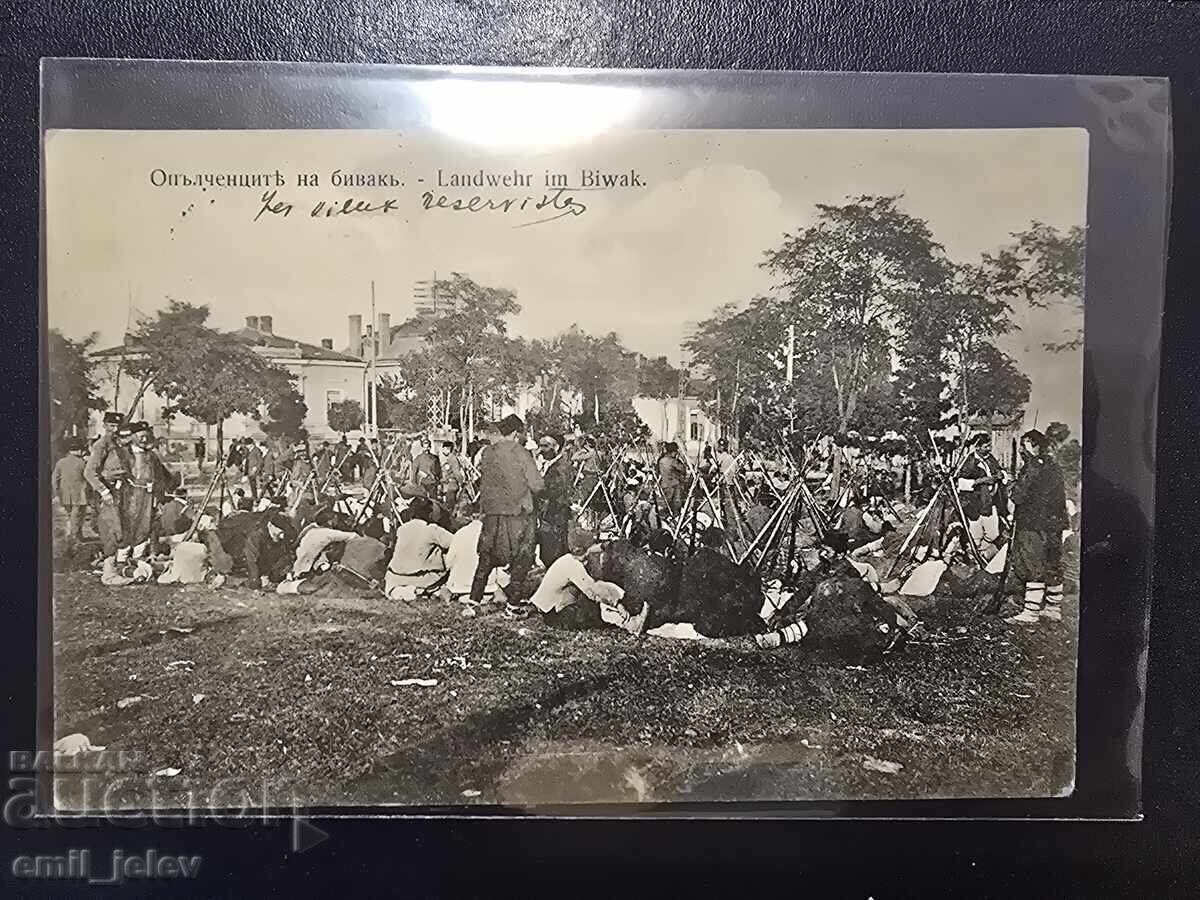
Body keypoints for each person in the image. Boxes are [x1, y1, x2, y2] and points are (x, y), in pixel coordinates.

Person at [469, 415, 544, 612]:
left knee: (486, 555)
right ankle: (513, 604)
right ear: (515, 433)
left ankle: (474, 600)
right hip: (517, 513)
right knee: (523, 556)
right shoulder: (520, 452)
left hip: (492, 513)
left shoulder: (487, 453)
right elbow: (537, 485)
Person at [1005, 429, 1070, 625]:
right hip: (1054, 524)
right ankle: (1053, 608)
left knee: (1033, 564)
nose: (1022, 452)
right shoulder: (1054, 466)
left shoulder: (1032, 467)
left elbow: (1018, 495)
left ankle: (1031, 612)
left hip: (1033, 523)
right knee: (1052, 564)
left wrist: (1011, 485)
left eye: (1024, 446)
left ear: (1033, 445)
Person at [529, 529, 645, 632]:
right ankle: (630, 625)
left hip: (548, 609)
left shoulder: (568, 559)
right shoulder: (572, 565)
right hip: (552, 615)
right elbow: (593, 589)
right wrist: (618, 603)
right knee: (590, 604)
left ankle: (622, 620)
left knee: (590, 600)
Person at [672, 527, 766, 638]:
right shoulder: (719, 561)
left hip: (694, 613)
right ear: (719, 544)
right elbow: (736, 576)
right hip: (712, 619)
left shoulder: (692, 560)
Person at [84, 417, 135, 585]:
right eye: (111, 425)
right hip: (108, 492)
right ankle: (109, 575)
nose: (114, 429)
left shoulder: (120, 445)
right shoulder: (101, 445)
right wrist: (103, 491)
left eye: (117, 426)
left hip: (122, 490)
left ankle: (117, 568)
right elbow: (89, 472)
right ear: (104, 426)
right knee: (112, 530)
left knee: (123, 529)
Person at [600, 527, 680, 630]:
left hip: (633, 608)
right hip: (656, 615)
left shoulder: (638, 561)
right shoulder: (670, 567)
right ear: (668, 550)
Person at [385, 496, 454, 598]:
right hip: (422, 578)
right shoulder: (432, 530)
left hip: (396, 577)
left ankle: (406, 591)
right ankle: (421, 590)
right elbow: (456, 542)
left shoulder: (402, 529)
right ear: (430, 514)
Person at [217, 510, 296, 589]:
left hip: (267, 569)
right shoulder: (255, 537)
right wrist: (257, 580)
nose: (282, 536)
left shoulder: (282, 537)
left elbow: (287, 555)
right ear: (270, 526)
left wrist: (287, 572)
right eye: (280, 531)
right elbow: (251, 562)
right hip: (245, 568)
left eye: (284, 532)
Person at [445, 514, 510, 603]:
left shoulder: (460, 533)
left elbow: (448, 562)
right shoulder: (494, 534)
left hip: (459, 587)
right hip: (488, 588)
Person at [535, 433, 575, 566]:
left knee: (552, 554)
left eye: (545, 446)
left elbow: (552, 492)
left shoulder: (560, 468)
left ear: (556, 447)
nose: (541, 450)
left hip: (554, 515)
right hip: (553, 515)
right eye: (540, 446)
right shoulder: (553, 464)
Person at [52, 440, 90, 552]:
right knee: (78, 516)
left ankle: (76, 535)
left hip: (65, 494)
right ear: (78, 451)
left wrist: (57, 493)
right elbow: (88, 477)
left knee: (71, 515)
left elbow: (54, 479)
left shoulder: (60, 462)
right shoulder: (82, 462)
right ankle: (75, 537)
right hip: (79, 494)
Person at [657, 442, 687, 519]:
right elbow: (683, 469)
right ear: (673, 452)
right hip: (674, 486)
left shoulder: (661, 460)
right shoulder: (673, 461)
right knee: (676, 506)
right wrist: (681, 460)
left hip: (664, 485)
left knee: (666, 504)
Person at [439, 441, 463, 511]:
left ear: (448, 449)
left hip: (452, 485)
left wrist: (461, 482)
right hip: (449, 484)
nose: (443, 450)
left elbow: (457, 473)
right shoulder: (450, 458)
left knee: (450, 507)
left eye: (444, 449)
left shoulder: (452, 459)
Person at [244, 437, 265, 503]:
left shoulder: (256, 450)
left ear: (251, 444)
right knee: (252, 486)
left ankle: (258, 499)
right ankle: (254, 497)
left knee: (258, 486)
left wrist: (256, 468)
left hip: (256, 472)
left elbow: (261, 461)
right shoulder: (248, 451)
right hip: (250, 471)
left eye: (247, 445)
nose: (246, 446)